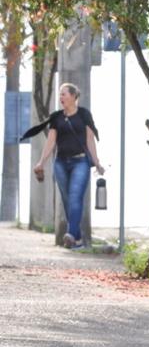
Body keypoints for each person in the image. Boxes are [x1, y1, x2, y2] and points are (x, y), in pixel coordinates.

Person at [32, 83, 105, 249]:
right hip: (61, 163)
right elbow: (51, 142)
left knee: (74, 197)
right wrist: (41, 162)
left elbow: (90, 139)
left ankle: (71, 234)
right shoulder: (57, 117)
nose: (61, 97)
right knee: (66, 200)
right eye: (60, 94)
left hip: (80, 162)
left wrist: (97, 162)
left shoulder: (84, 114)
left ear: (73, 96)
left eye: (64, 94)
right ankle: (77, 239)